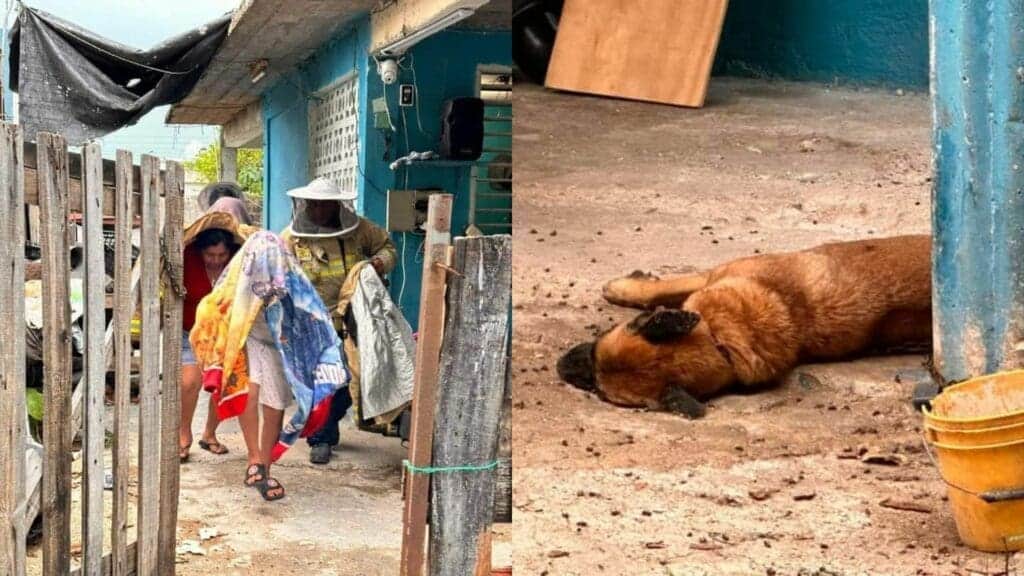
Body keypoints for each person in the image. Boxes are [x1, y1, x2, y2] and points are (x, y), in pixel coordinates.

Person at [190, 231, 350, 501]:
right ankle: (253, 458)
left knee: (275, 403)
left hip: (280, 345)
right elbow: (212, 311)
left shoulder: (293, 282)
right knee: (249, 391)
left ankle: (265, 466)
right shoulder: (236, 279)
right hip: (248, 338)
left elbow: (314, 317)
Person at [281, 177, 397, 464]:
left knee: (348, 381)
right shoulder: (292, 237)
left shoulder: (360, 231)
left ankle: (327, 427)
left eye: (324, 205)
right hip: (311, 321)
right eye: (314, 205)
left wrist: (377, 264)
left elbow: (388, 248)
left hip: (353, 318)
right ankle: (321, 437)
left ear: (336, 206)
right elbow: (278, 270)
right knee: (322, 383)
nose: (318, 211)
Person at [179, 197, 256, 462]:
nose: (215, 260)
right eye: (210, 255)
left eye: (221, 255)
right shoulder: (185, 257)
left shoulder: (239, 260)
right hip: (188, 328)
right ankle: (183, 434)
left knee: (221, 384)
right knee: (189, 381)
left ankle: (209, 434)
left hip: (227, 332)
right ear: (199, 250)